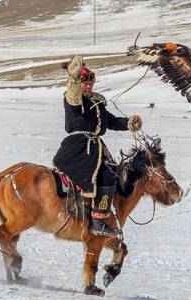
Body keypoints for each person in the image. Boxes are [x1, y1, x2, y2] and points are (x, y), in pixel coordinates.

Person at [53, 55, 142, 236]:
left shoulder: (98, 103)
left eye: (91, 83)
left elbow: (112, 121)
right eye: (85, 83)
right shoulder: (74, 99)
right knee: (107, 178)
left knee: (111, 174)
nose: (88, 86)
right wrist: (74, 75)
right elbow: (73, 90)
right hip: (78, 147)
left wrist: (130, 123)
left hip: (94, 147)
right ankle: (98, 222)